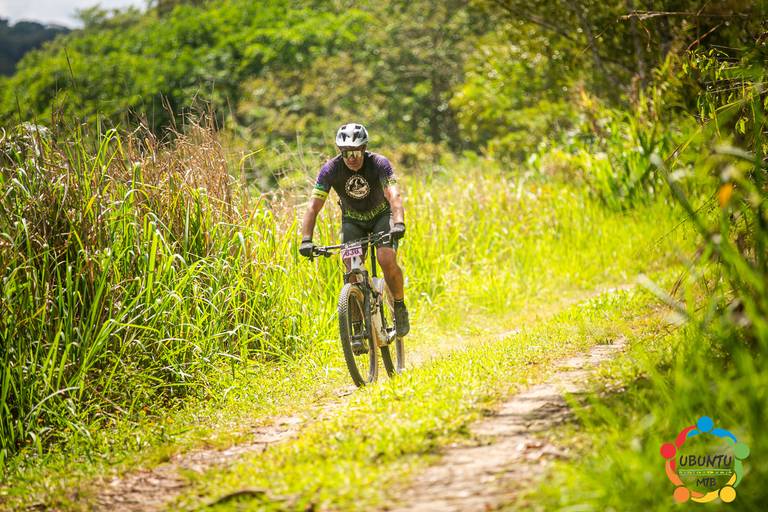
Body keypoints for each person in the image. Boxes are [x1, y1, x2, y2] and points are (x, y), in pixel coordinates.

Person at [299, 123, 410, 337]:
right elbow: (313, 207)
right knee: (351, 270)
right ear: (340, 152)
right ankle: (357, 328)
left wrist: (399, 223)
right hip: (353, 221)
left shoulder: (379, 163)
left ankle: (399, 305)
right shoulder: (330, 170)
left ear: (364, 148)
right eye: (346, 153)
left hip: (381, 216)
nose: (352, 158)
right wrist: (306, 239)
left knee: (386, 258)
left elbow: (394, 195)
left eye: (356, 152)